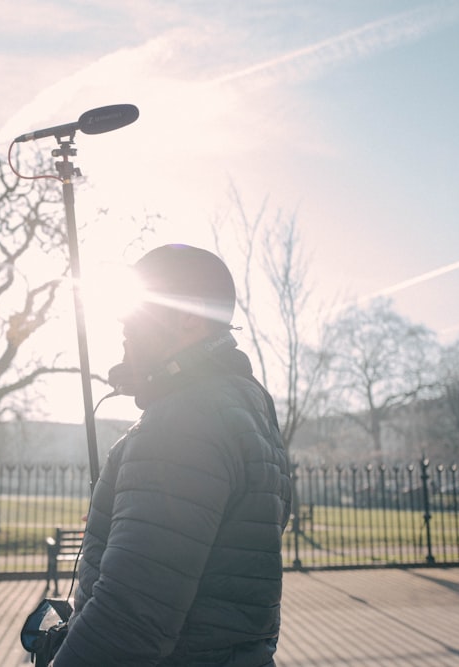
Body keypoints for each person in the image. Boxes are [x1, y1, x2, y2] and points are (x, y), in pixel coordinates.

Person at [52, 244, 292, 666]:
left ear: (188, 315)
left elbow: (128, 617)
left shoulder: (185, 418)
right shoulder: (246, 403)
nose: (124, 323)